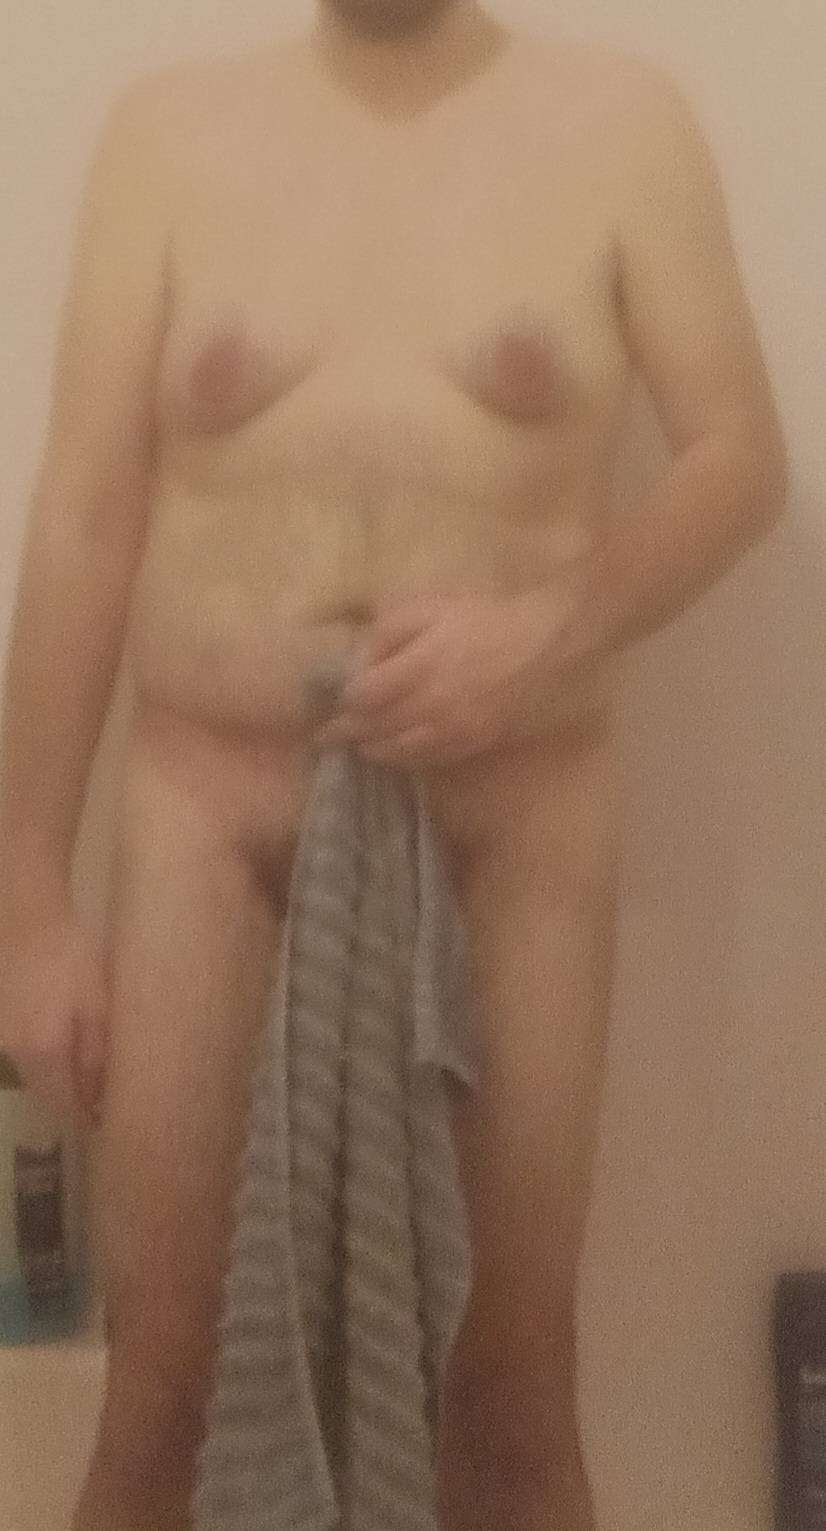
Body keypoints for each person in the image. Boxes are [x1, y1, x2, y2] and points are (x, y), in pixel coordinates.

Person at [0, 1, 787, 1528]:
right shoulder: (166, 137)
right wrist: (28, 899)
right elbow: (83, 519)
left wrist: (552, 630)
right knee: (154, 1386)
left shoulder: (621, 124)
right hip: (206, 805)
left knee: (510, 1396)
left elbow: (736, 460)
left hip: (512, 815)